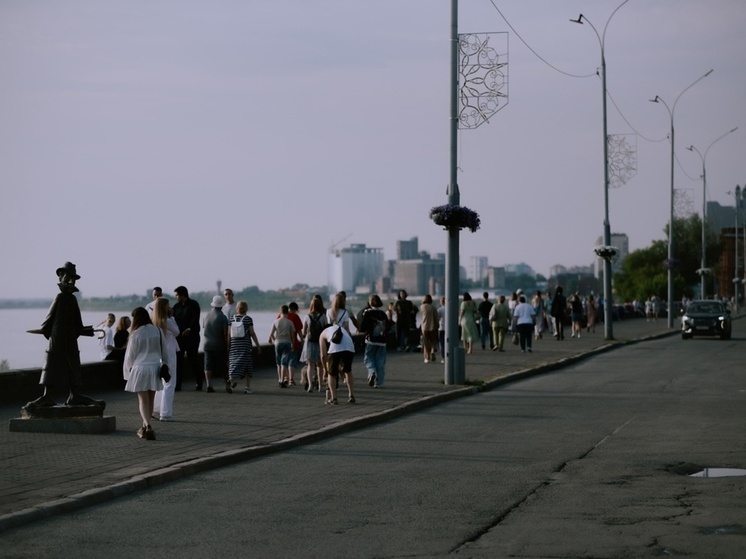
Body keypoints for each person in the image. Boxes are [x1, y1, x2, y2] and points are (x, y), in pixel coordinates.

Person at [23, 262, 99, 410]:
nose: (71, 281)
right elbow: (48, 322)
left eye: (73, 278)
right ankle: (47, 396)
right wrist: (51, 336)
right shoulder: (59, 297)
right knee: (51, 366)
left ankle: (74, 395)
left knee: (73, 367)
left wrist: (85, 331)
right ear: (62, 278)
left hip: (70, 343)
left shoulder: (72, 300)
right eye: (69, 277)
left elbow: (78, 324)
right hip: (57, 343)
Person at [123, 307, 167, 440]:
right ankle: (145, 426)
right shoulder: (158, 331)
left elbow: (130, 356)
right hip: (155, 367)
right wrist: (166, 366)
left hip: (140, 368)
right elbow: (164, 352)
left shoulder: (135, 334)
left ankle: (147, 426)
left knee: (143, 400)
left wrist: (127, 373)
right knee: (151, 398)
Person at [152, 297, 180, 421]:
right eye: (168, 305)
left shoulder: (155, 321)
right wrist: (172, 317)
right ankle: (166, 412)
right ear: (164, 307)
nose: (170, 307)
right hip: (169, 352)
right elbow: (177, 332)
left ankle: (157, 409)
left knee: (161, 383)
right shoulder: (167, 320)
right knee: (170, 382)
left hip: (160, 352)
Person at [319, 317, 356, 405]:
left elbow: (323, 355)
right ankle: (351, 395)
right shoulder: (340, 328)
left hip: (335, 348)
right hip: (350, 347)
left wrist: (325, 369)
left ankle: (334, 398)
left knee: (331, 374)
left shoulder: (322, 334)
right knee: (348, 370)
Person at [228, 300, 261, 395]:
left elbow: (229, 334)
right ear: (246, 309)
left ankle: (232, 380)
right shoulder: (248, 319)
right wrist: (258, 346)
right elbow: (252, 333)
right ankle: (247, 387)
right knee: (247, 365)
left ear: (237, 308)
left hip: (234, 345)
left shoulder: (231, 319)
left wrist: (228, 345)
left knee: (233, 362)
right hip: (245, 346)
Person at [172, 286, 201, 391]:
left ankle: (199, 382)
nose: (175, 297)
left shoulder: (194, 304)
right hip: (180, 338)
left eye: (176, 295)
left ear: (182, 295)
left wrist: (189, 328)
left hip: (192, 337)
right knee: (178, 360)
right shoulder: (176, 307)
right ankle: (177, 385)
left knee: (193, 358)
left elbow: (195, 318)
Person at [359, 294, 389, 387]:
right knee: (380, 361)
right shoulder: (383, 314)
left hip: (370, 340)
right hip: (382, 341)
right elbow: (387, 327)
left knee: (368, 358)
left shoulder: (367, 312)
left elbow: (362, 327)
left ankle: (372, 372)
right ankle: (379, 382)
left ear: (370, 302)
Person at [202, 295, 230, 393]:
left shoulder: (206, 315)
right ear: (221, 306)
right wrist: (227, 346)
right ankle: (227, 383)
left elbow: (204, 328)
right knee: (224, 365)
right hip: (219, 344)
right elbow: (225, 333)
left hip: (206, 344)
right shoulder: (222, 317)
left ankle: (209, 384)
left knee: (208, 365)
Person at [300, 297, 328, 393]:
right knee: (320, 365)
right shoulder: (323, 317)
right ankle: (320, 385)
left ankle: (310, 385)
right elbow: (326, 329)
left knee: (310, 365)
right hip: (320, 342)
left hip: (310, 343)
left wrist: (304, 335)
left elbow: (304, 331)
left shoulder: (307, 317)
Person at [269, 305, 296, 388]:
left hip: (278, 343)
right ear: (287, 312)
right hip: (287, 343)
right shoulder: (290, 322)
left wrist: (274, 340)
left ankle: (279, 379)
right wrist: (293, 344)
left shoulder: (276, 321)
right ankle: (282, 380)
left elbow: (271, 334)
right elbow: (292, 335)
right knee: (284, 362)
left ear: (280, 312)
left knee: (278, 363)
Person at [286, 302, 304, 386]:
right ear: (295, 309)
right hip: (294, 342)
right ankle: (291, 379)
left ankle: (285, 378)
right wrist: (302, 341)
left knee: (284, 361)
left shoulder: (280, 316)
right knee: (292, 361)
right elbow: (299, 331)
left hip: (283, 341)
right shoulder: (295, 317)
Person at [419, 294, 439, 363]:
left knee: (426, 342)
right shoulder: (433, 307)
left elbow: (421, 315)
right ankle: (433, 351)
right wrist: (437, 325)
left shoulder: (422, 307)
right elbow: (436, 317)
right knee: (433, 341)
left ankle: (427, 357)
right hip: (432, 326)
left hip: (424, 326)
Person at [437, 296, 446, 364]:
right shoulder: (450, 308)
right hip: (449, 329)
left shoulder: (439, 310)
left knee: (442, 344)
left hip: (441, 328)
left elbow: (437, 319)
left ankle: (444, 358)